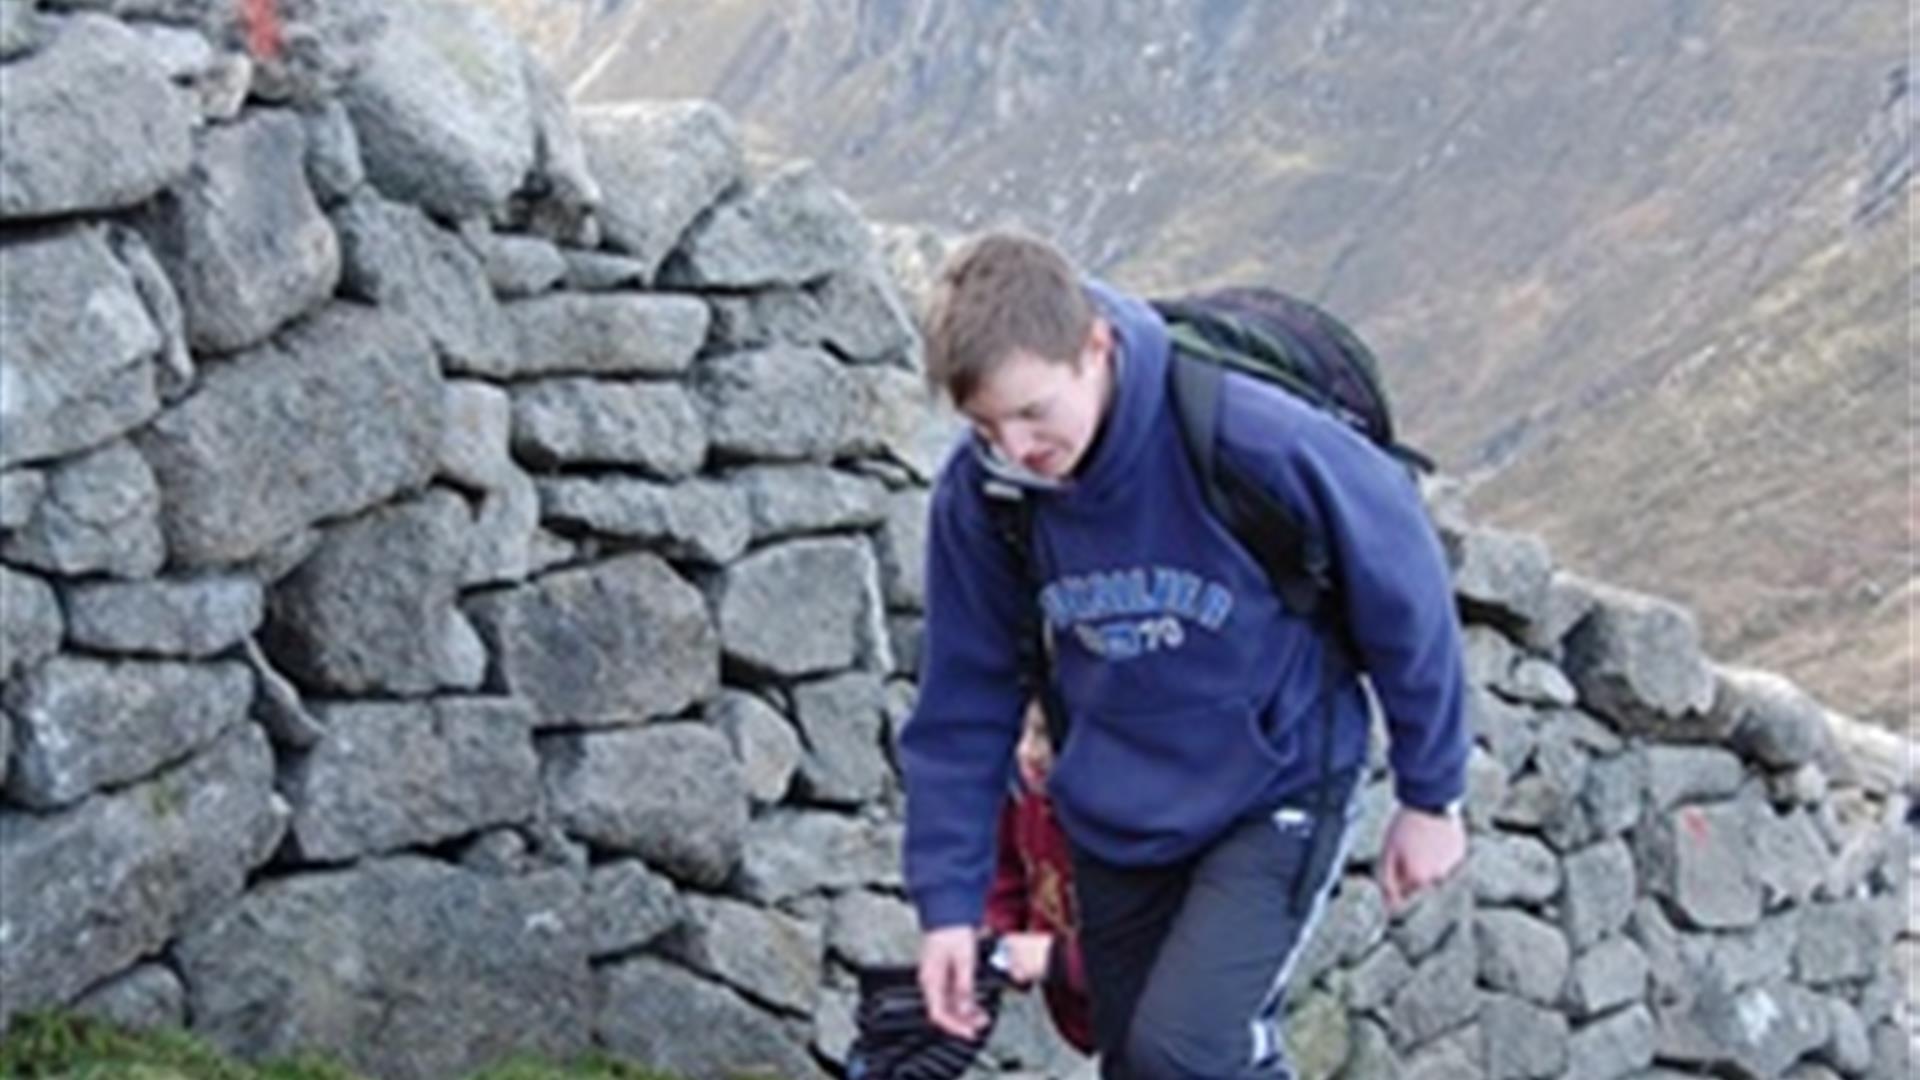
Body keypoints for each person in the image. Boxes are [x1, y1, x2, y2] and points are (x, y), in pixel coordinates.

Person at [897, 231, 1470, 1078]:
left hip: (1275, 781)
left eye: (1032, 413)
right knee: (1138, 1060)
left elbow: (1406, 591)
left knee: (1185, 1050)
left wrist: (1433, 795)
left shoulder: (1252, 438)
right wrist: (950, 910)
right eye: (986, 424)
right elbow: (962, 706)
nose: (1016, 448)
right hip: (1119, 808)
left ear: (1095, 346)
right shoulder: (987, 496)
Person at [985, 701, 1095, 1055]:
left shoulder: (1117, 833)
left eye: (1045, 735)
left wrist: (1056, 959)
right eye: (1024, 732)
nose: (1028, 751)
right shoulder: (1024, 804)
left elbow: (1149, 949)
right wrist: (998, 931)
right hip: (1092, 1018)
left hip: (1159, 1021)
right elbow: (1010, 873)